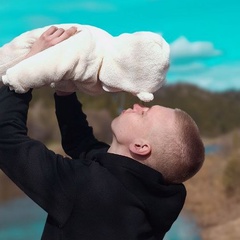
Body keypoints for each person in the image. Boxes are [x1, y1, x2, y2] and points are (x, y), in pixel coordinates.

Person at [0, 27, 205, 240]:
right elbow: (81, 144)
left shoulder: (92, 191)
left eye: (144, 114)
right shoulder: (146, 192)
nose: (137, 106)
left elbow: (6, 139)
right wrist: (65, 91)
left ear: (141, 147)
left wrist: (27, 69)